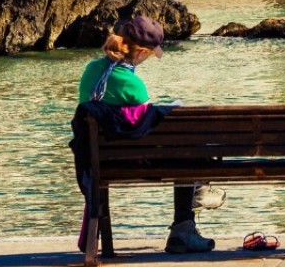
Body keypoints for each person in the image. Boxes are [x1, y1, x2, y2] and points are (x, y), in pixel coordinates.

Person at [76, 16, 217, 254]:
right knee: (191, 155)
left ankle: (200, 192)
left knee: (189, 154)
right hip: (134, 159)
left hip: (99, 160)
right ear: (141, 53)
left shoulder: (91, 71)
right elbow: (149, 130)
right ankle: (185, 226)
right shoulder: (132, 84)